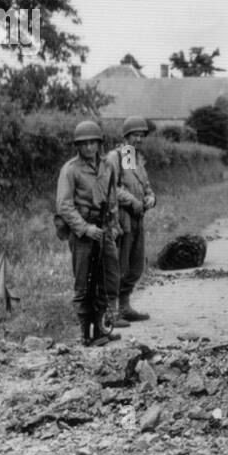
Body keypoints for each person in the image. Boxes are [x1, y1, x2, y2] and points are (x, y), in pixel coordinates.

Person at [57, 120, 121, 347]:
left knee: (109, 279)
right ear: (78, 146)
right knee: (84, 283)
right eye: (84, 144)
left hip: (104, 229)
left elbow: (112, 198)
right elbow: (64, 206)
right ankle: (86, 332)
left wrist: (113, 226)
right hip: (83, 233)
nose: (89, 148)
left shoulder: (107, 166)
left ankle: (101, 326)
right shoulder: (71, 170)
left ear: (99, 144)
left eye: (93, 143)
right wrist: (85, 228)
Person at [107, 116, 156, 324]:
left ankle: (125, 306)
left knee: (135, 265)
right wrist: (132, 201)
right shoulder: (115, 157)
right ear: (126, 136)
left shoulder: (134, 158)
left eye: (141, 135)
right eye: (135, 135)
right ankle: (111, 311)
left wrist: (150, 198)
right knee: (118, 265)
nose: (138, 139)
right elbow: (111, 188)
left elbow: (144, 185)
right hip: (121, 219)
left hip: (137, 219)